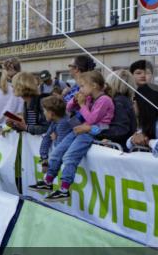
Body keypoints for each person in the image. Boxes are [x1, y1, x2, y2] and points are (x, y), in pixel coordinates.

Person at [31, 70, 114, 202]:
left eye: (82, 86)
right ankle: (48, 181)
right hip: (80, 130)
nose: (80, 89)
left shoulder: (104, 100)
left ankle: (64, 189)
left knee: (69, 157)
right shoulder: (88, 98)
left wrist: (81, 105)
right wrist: (75, 101)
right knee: (57, 152)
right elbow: (68, 109)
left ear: (93, 86)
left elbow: (92, 120)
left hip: (92, 132)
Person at [35, 95, 69, 180]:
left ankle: (49, 180)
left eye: (45, 111)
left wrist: (55, 139)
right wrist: (44, 159)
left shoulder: (63, 123)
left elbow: (61, 148)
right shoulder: (55, 121)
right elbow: (46, 138)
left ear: (52, 113)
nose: (43, 113)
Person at [103, 70, 137, 146]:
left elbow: (120, 129)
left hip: (120, 150)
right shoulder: (125, 101)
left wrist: (95, 131)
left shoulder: (118, 102)